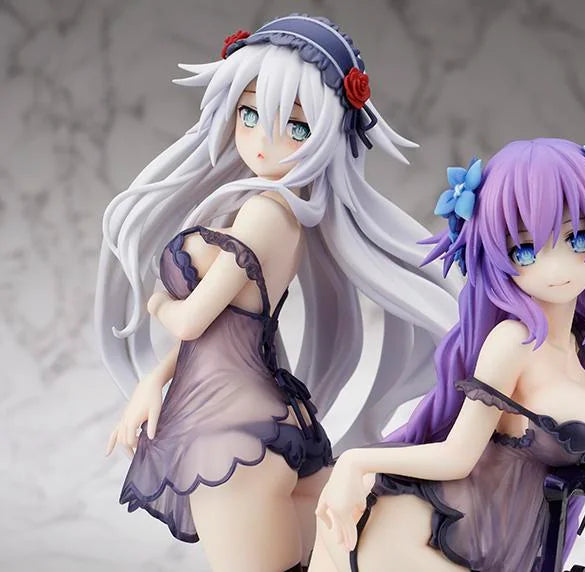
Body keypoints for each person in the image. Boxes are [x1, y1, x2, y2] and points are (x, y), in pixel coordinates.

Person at [96, 14, 458, 572]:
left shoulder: (267, 214)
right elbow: (226, 330)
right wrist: (153, 381)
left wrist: (157, 303)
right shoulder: (265, 207)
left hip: (230, 432)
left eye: (296, 127)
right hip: (258, 417)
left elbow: (192, 322)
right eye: (249, 115)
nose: (265, 143)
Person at [311, 138, 585, 572]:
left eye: (578, 237)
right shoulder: (513, 341)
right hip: (432, 537)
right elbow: (457, 456)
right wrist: (354, 463)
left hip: (495, 548)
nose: (556, 267)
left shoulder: (580, 347)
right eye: (524, 250)